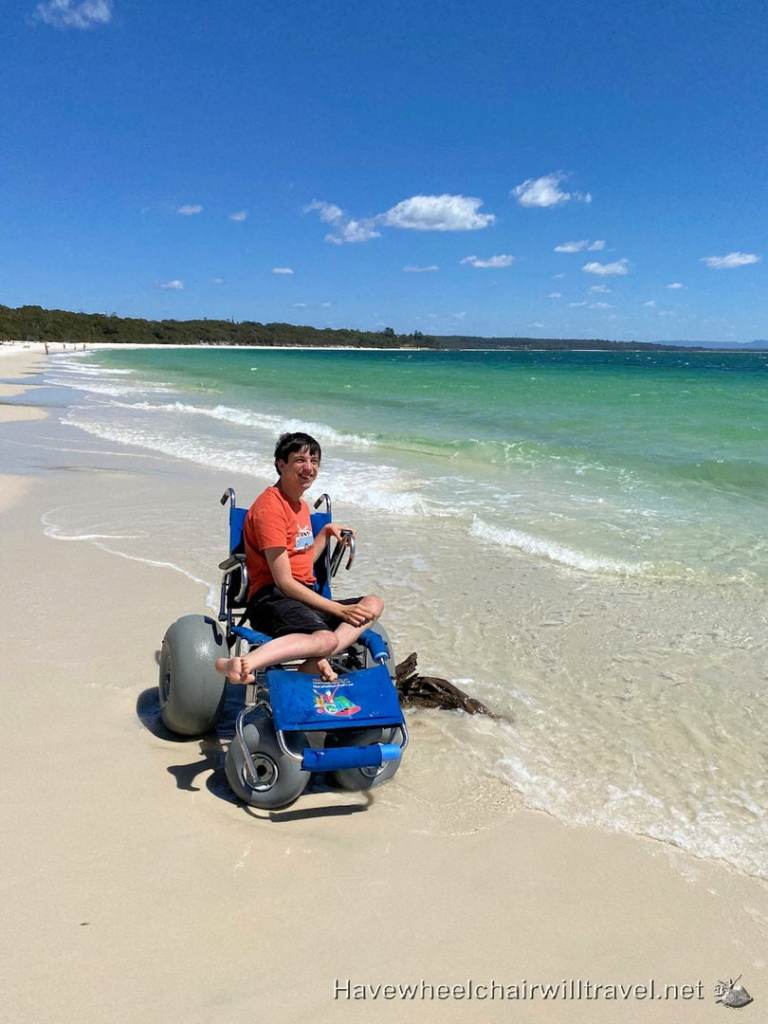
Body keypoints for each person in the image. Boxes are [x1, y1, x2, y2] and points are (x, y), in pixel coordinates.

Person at [215, 431, 383, 685]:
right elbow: (284, 581)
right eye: (300, 460)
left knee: (372, 604)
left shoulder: (301, 505)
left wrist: (325, 533)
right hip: (271, 600)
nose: (309, 468)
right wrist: (338, 609)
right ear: (281, 464)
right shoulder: (270, 508)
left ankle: (316, 660)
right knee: (327, 637)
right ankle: (242, 664)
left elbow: (302, 561)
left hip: (302, 600)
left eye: (314, 461)